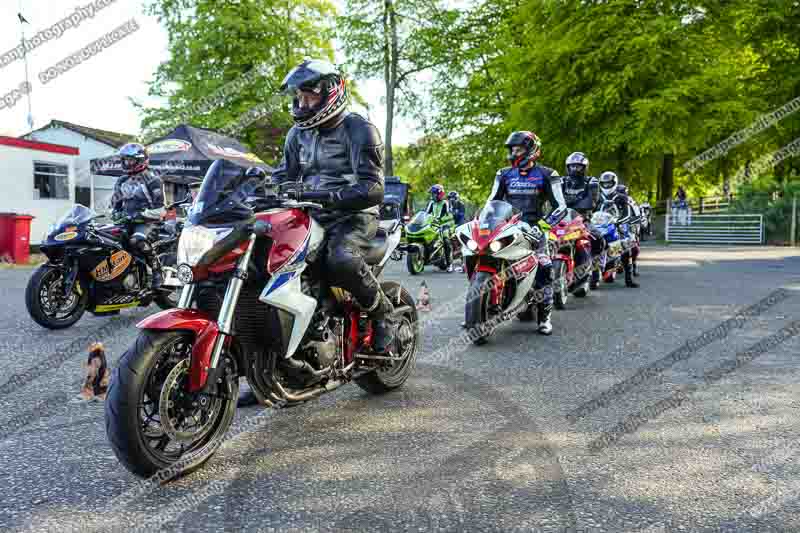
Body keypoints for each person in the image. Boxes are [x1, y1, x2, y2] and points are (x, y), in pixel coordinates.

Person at [271, 59, 396, 353]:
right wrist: (255, 187)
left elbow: (374, 188)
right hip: (308, 215)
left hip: (353, 216)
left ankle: (382, 313)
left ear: (331, 92)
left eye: (309, 96)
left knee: (340, 259)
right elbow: (282, 175)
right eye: (298, 97)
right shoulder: (296, 135)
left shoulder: (358, 129)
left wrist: (331, 196)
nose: (302, 104)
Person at [485, 131, 567, 335]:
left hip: (536, 229)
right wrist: (484, 221)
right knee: (483, 257)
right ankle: (478, 309)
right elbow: (491, 202)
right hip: (507, 227)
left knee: (544, 268)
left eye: (518, 149)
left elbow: (561, 207)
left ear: (531, 150)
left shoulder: (548, 174)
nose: (514, 153)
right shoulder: (503, 174)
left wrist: (543, 226)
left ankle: (545, 317)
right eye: (512, 149)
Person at [109, 142, 165, 289]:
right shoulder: (121, 180)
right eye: (125, 160)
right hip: (126, 221)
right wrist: (114, 212)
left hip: (148, 221)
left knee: (136, 241)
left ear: (141, 159)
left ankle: (157, 270)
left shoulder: (153, 180)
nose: (127, 163)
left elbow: (160, 210)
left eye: (130, 160)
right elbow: (116, 204)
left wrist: (140, 214)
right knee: (108, 241)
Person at [561, 151, 601, 296]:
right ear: (567, 167)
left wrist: (569, 202)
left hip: (583, 219)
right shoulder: (561, 181)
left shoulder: (592, 182)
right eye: (572, 166)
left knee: (598, 238)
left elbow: (591, 201)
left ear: (585, 168)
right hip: (562, 219)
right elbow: (553, 200)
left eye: (578, 167)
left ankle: (594, 271)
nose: (575, 170)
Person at [596, 171, 640, 288]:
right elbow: (592, 210)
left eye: (609, 183)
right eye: (604, 184)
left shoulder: (621, 197)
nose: (606, 186)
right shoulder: (597, 196)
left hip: (617, 224)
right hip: (600, 224)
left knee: (626, 247)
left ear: (614, 183)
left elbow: (627, 214)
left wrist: (619, 221)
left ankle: (628, 278)